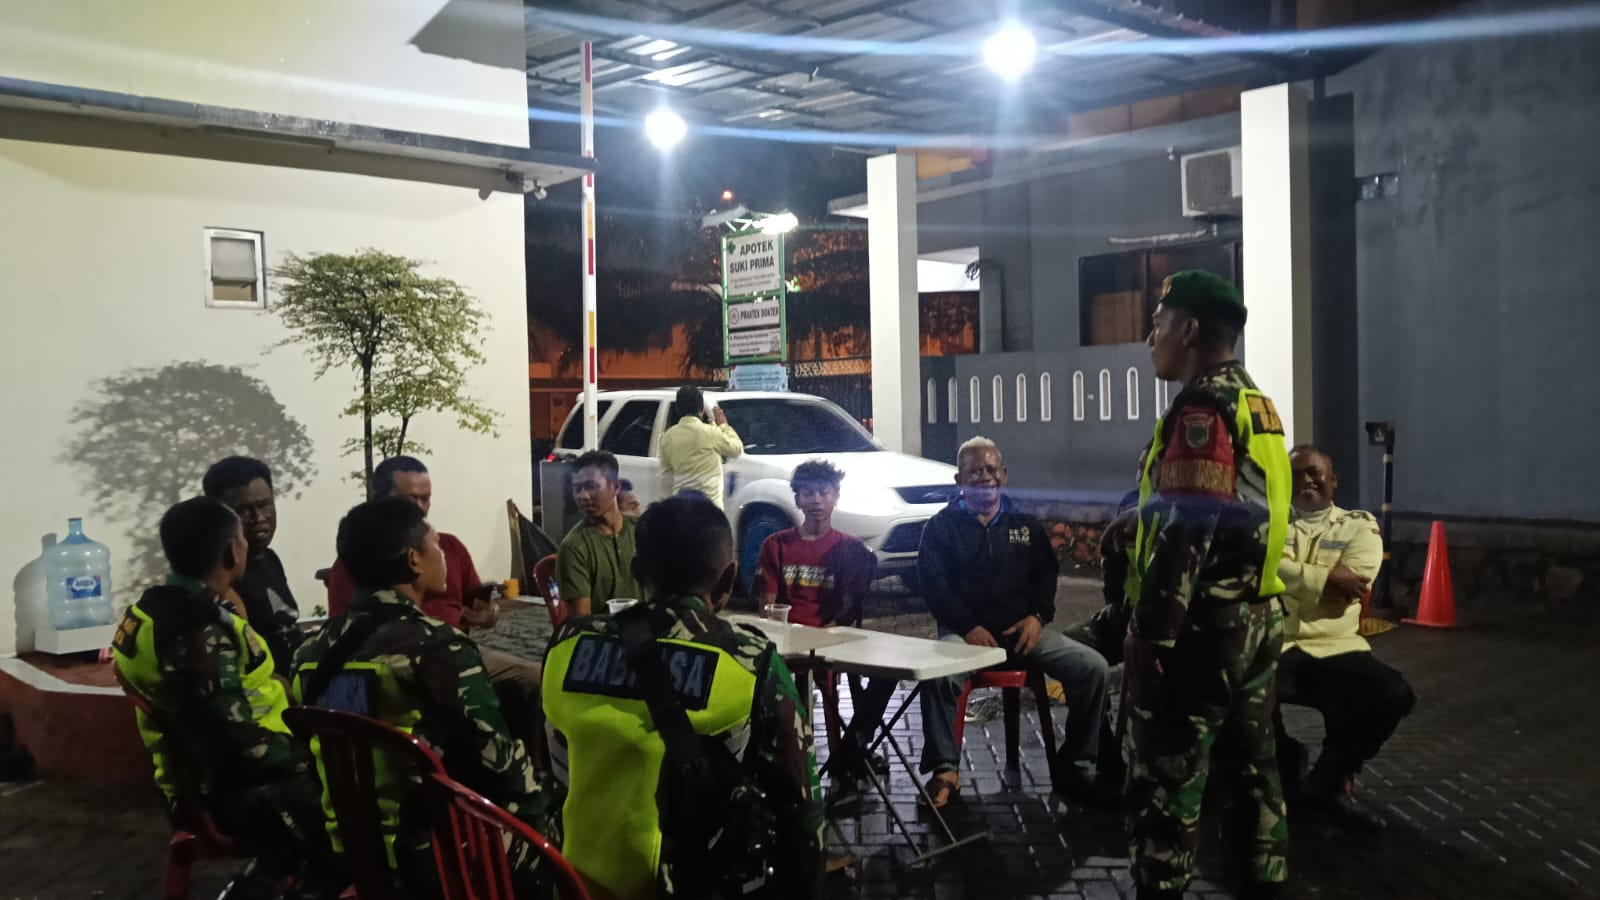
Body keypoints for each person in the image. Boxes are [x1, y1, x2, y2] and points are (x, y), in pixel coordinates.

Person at [542, 494, 824, 899]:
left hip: (574, 880)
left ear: (638, 572)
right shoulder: (748, 659)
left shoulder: (567, 644)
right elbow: (800, 803)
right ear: (728, 579)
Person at [1124, 270, 1293, 900]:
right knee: (1254, 771)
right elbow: (1239, 505)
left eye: (1159, 323)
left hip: (1204, 627)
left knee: (1168, 776)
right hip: (1257, 616)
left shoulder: (1203, 407)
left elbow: (1191, 527)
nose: (1151, 338)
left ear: (1190, 329)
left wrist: (1151, 632)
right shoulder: (1254, 401)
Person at [293, 497, 554, 890]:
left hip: (345, 847)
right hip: (427, 855)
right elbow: (499, 764)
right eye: (436, 545)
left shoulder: (309, 653)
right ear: (414, 560)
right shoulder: (436, 646)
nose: (443, 555)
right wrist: (545, 810)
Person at [113, 498, 338, 900]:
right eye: (242, 538)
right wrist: (315, 753)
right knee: (365, 806)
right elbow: (239, 743)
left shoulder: (146, 611)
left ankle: (267, 878)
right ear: (232, 552)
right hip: (243, 791)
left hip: (198, 783)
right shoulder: (199, 631)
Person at [916, 436, 1112, 808]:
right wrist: (968, 626)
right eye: (975, 471)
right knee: (938, 676)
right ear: (959, 479)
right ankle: (945, 771)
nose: (984, 477)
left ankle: (1078, 764)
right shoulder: (941, 528)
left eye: (991, 469)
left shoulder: (1025, 524)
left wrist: (1037, 618)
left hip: (1024, 634)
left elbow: (1046, 575)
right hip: (965, 636)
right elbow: (933, 586)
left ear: (1004, 475)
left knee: (1093, 668)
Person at [324, 456, 544, 757]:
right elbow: (348, 632)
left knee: (537, 680)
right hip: (412, 660)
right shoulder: (362, 561)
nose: (420, 508)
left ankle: (538, 759)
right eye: (409, 499)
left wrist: (488, 614)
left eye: (425, 498)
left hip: (455, 653)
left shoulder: (449, 547)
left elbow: (479, 603)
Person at [1275, 445, 1416, 833]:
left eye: (1315, 472)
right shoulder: (1268, 524)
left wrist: (1285, 573)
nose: (1307, 480)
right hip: (1275, 643)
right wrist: (1324, 577)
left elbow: (1355, 582)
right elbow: (1257, 564)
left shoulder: (1358, 525)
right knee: (1236, 689)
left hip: (1336, 647)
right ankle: (1285, 761)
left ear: (1333, 480)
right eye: (1296, 473)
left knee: (1391, 694)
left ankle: (1327, 781)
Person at [753, 460, 889, 788]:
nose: (816, 499)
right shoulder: (776, 545)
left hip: (829, 641)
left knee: (881, 676)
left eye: (824, 492)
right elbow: (767, 606)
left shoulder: (849, 548)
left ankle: (849, 751)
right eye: (808, 492)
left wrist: (823, 634)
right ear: (797, 499)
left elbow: (847, 610)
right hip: (785, 640)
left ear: (836, 497)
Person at [202, 456, 304, 672]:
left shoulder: (270, 558)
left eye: (265, 505)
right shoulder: (222, 579)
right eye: (243, 510)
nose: (259, 518)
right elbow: (245, 663)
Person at [555, 450, 643, 617]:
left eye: (590, 486)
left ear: (615, 486)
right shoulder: (574, 548)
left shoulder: (642, 531)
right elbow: (581, 620)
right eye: (577, 488)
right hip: (603, 632)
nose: (583, 496)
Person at [658, 385, 744, 509]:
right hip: (710, 510)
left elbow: (666, 478)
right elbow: (737, 449)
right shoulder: (711, 432)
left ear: (677, 409)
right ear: (702, 408)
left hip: (681, 509)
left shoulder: (667, 437)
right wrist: (724, 426)